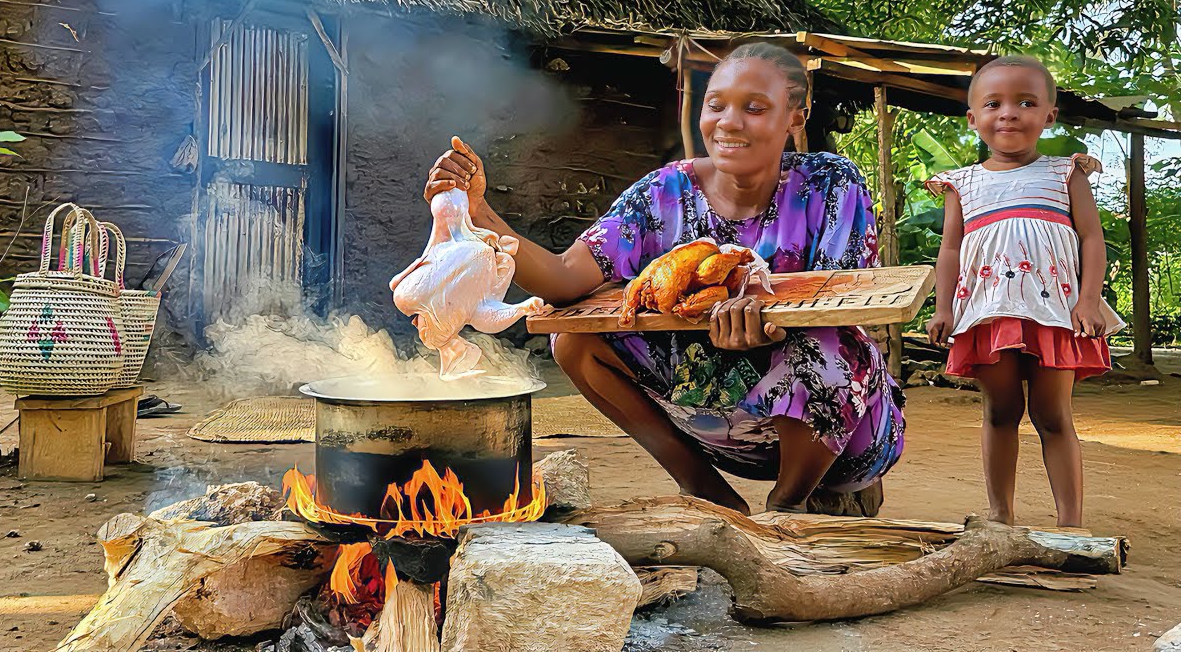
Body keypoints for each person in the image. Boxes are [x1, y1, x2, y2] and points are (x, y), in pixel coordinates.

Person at [424, 43, 905, 516]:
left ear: (795, 118)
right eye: (716, 105)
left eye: (754, 108)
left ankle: (787, 504)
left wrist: (761, 305)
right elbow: (564, 278)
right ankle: (704, 489)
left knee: (830, 344)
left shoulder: (831, 185)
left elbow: (843, 298)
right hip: (728, 432)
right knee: (572, 340)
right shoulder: (664, 194)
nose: (729, 123)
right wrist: (479, 211)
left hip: (843, 438)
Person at [925, 55, 1121, 529]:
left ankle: (1071, 526)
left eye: (1025, 102)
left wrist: (1089, 298)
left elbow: (1092, 238)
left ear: (1049, 116)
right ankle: (1000, 519)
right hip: (988, 313)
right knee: (1000, 412)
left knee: (1053, 415)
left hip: (1055, 312)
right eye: (993, 104)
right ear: (973, 119)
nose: (1008, 113)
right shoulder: (961, 184)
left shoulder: (1065, 173)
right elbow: (950, 250)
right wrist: (944, 307)